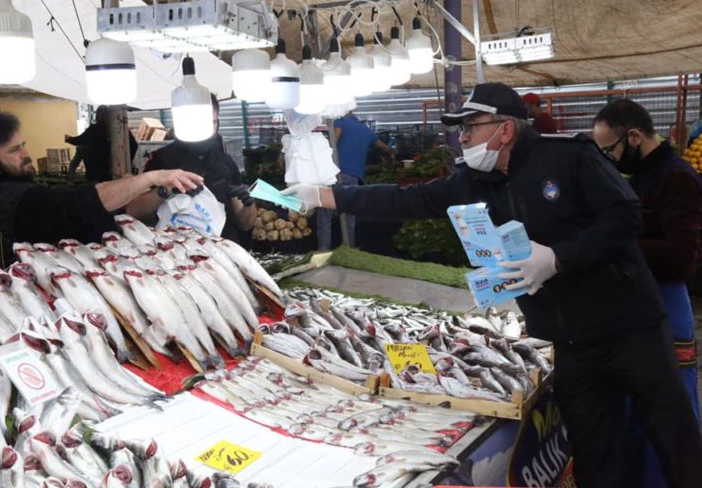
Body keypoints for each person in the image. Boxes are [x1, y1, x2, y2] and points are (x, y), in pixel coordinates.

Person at [283, 82, 702, 488]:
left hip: (629, 327)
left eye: (470, 127)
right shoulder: (473, 180)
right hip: (566, 345)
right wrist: (325, 196)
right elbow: (408, 199)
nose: (462, 138)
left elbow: (624, 217)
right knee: (596, 454)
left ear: (504, 129)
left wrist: (559, 257)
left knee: (674, 437)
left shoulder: (569, 157)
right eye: (460, 130)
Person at [592, 99, 701, 488]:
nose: (609, 159)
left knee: (669, 415)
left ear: (634, 136)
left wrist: (616, 243)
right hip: (636, 309)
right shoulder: (639, 178)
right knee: (637, 411)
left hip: (667, 310)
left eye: (610, 150)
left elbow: (682, 258)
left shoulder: (677, 178)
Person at [0, 110, 202, 270]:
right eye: (15, 151)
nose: (26, 155)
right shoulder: (21, 201)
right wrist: (151, 177)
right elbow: (82, 202)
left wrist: (162, 193)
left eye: (22, 145)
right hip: (25, 322)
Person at [125, 94, 255, 243]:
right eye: (201, 121)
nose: (207, 128)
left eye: (212, 122)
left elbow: (245, 224)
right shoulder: (161, 160)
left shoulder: (226, 163)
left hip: (222, 254)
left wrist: (249, 206)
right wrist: (166, 190)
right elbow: (133, 210)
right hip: (176, 254)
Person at [316, 112, 394, 250]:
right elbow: (384, 148)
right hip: (354, 177)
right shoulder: (365, 130)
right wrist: (390, 155)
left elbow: (334, 139)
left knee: (325, 216)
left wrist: (320, 156)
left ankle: (323, 251)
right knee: (349, 217)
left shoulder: (340, 121)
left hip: (334, 174)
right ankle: (350, 249)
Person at [64, 105, 139, 182]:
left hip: (95, 173)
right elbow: (134, 146)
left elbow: (79, 140)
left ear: (97, 116)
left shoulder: (93, 130)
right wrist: (126, 161)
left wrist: (69, 139)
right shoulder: (120, 129)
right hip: (115, 171)